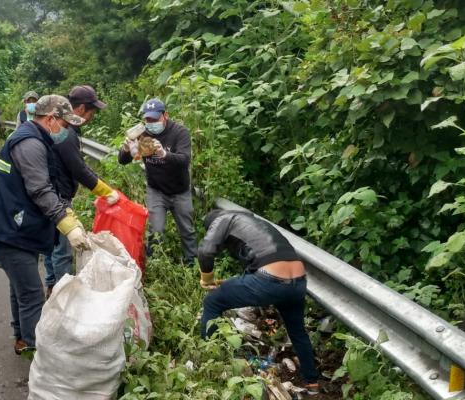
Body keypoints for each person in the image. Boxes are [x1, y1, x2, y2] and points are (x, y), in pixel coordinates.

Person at [0, 94, 88, 355]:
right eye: (64, 124)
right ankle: (34, 349)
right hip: (10, 232)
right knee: (31, 295)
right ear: (51, 119)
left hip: (13, 227)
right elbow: (40, 189)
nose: (65, 131)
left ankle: (21, 337)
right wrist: (67, 224)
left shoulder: (35, 138)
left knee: (19, 289)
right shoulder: (30, 144)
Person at [198, 209, 320, 391]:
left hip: (270, 281)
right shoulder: (253, 222)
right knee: (298, 332)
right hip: (298, 282)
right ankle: (312, 382)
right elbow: (261, 262)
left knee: (212, 302)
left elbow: (206, 251)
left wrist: (206, 279)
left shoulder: (222, 220)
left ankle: (210, 364)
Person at [43, 85, 119, 297]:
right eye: (92, 112)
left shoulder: (60, 128)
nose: (92, 116)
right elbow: (79, 170)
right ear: (82, 109)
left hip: (49, 194)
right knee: (62, 250)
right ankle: (64, 295)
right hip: (57, 197)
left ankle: (52, 284)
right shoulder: (66, 134)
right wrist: (107, 192)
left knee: (50, 244)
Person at [118, 98, 197, 265]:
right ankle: (154, 266)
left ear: (165, 115)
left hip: (180, 190)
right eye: (147, 119)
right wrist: (126, 149)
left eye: (154, 119)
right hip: (156, 191)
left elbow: (184, 160)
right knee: (156, 231)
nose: (151, 123)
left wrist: (164, 154)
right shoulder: (142, 133)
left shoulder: (179, 132)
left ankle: (191, 264)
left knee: (187, 231)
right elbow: (123, 160)